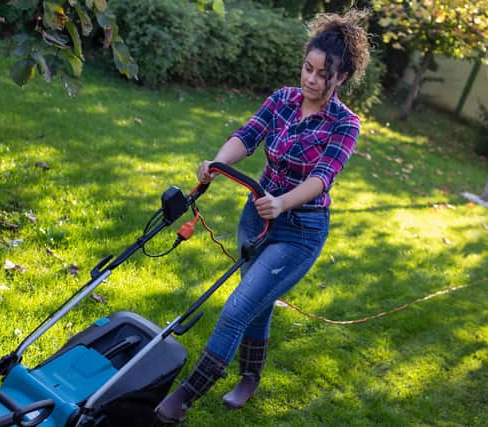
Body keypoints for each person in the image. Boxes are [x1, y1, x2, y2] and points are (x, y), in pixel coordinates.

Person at [155, 9, 370, 424]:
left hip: (299, 230)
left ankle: (183, 398)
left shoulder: (346, 124)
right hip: (256, 217)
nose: (310, 79)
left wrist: (285, 202)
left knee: (239, 307)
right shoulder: (283, 99)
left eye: (322, 74)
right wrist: (216, 163)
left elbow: (324, 178)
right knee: (259, 301)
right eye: (307, 68)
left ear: (341, 78)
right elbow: (248, 135)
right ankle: (250, 377)